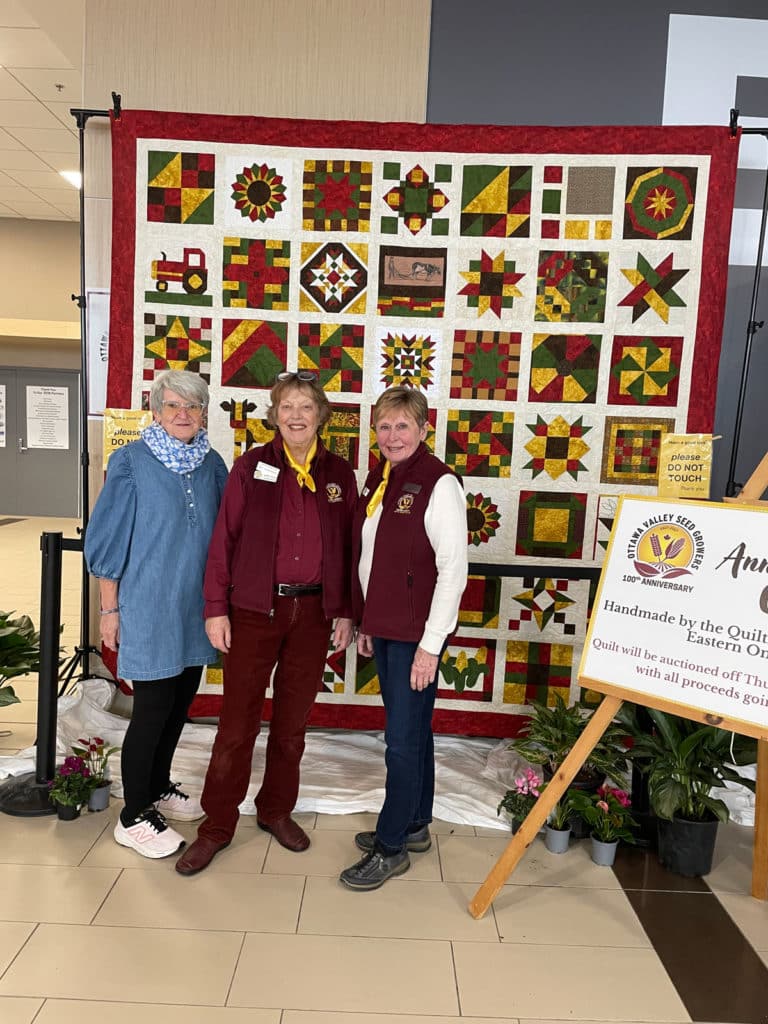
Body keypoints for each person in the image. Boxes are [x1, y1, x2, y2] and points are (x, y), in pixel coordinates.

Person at [176, 370, 357, 875]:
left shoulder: (339, 474)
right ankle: (216, 825)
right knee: (236, 726)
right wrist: (216, 608)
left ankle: (275, 809)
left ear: (321, 415)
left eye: (305, 407)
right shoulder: (251, 467)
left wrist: (345, 610)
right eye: (286, 407)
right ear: (274, 415)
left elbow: (349, 547)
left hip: (314, 614)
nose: (295, 415)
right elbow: (223, 541)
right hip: (255, 612)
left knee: (292, 727)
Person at [85, 369, 228, 859]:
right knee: (150, 711)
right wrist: (110, 610)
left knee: (177, 707)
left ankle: (158, 785)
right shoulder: (130, 462)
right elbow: (107, 541)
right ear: (155, 410)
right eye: (172, 405)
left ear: (204, 412)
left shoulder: (212, 465)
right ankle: (133, 816)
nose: (182, 414)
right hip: (145, 607)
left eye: (192, 406)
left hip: (196, 610)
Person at [339, 386, 468, 891]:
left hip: (417, 638)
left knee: (401, 741)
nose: (392, 435)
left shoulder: (439, 484)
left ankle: (390, 846)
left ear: (423, 429)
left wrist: (431, 645)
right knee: (413, 732)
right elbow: (377, 559)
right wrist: (369, 622)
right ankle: (414, 823)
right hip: (388, 630)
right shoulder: (381, 477)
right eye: (384, 426)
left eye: (402, 426)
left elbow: (453, 569)